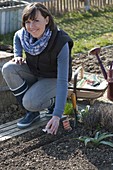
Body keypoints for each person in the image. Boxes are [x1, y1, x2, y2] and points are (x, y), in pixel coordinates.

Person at [2, 2, 73, 135]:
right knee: (9, 68)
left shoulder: (60, 42)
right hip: (35, 72)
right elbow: (17, 36)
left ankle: (52, 102)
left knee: (29, 102)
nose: (31, 26)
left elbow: (62, 81)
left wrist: (57, 115)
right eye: (28, 22)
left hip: (54, 79)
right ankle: (32, 113)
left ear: (46, 20)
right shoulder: (25, 35)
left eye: (36, 21)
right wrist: (17, 54)